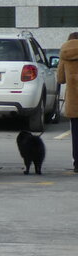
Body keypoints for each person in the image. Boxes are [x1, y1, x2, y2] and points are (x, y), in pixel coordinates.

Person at [55, 31, 78, 172]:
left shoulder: (65, 53)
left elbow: (60, 79)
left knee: (76, 134)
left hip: (73, 101)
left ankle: (77, 164)